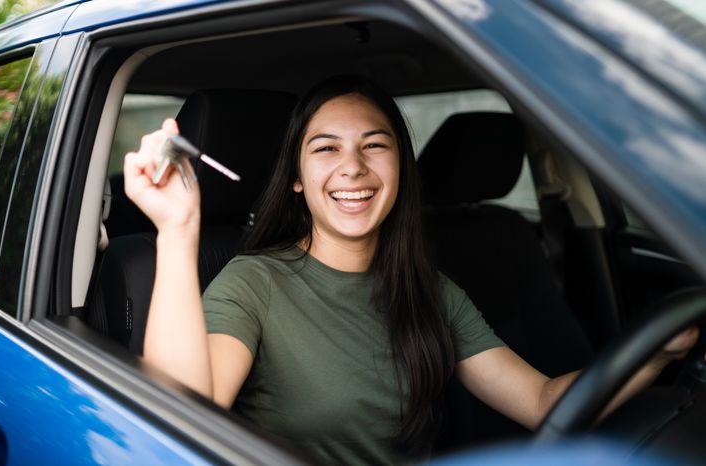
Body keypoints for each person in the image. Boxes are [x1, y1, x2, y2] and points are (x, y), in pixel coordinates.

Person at [122, 76, 700, 465]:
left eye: (375, 146)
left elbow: (545, 401)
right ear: (296, 177)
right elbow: (178, 415)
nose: (353, 167)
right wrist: (177, 232)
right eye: (325, 149)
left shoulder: (431, 292)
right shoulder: (255, 283)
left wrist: (658, 353)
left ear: (400, 169)